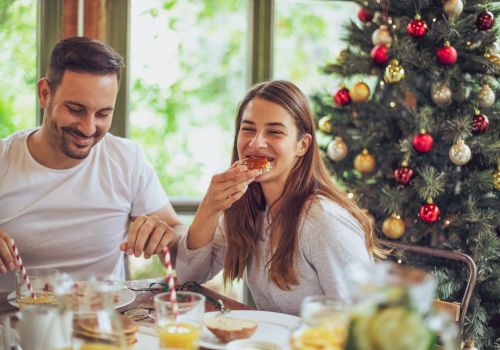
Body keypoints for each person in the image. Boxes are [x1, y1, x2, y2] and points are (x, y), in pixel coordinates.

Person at [176, 80, 384, 315]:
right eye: (248, 129)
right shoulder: (250, 208)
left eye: (274, 132)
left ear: (302, 145)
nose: (256, 143)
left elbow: (362, 323)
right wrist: (209, 207)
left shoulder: (324, 221)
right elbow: (188, 277)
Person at [0, 37, 183, 291]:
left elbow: (175, 235)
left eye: (103, 114)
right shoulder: (3, 160)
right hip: (16, 323)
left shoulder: (126, 159)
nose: (88, 128)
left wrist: (166, 235)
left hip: (105, 322)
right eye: (75, 109)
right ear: (45, 93)